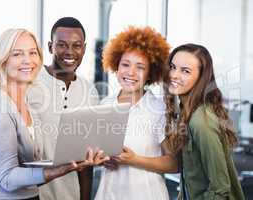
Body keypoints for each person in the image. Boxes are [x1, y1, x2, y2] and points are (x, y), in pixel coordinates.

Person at [0, 28, 97, 200]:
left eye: (33, 53)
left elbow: (30, 166)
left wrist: (76, 161)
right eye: (17, 54)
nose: (27, 60)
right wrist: (59, 170)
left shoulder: (28, 105)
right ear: (3, 61)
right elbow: (7, 179)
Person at [94, 26, 177, 200]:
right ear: (116, 66)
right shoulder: (104, 105)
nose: (131, 72)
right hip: (107, 194)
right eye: (125, 64)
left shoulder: (160, 109)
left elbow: (175, 163)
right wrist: (101, 159)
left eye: (140, 67)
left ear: (150, 73)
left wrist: (134, 159)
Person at [27, 17, 101, 200]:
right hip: (30, 194)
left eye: (76, 45)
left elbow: (86, 158)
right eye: (62, 45)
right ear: (51, 47)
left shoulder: (90, 91)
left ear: (83, 48)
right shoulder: (29, 83)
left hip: (70, 194)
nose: (69, 52)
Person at [163, 43, 245, 200]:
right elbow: (191, 179)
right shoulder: (186, 112)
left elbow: (220, 188)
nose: (173, 75)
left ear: (201, 78)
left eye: (185, 71)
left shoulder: (201, 121)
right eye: (172, 67)